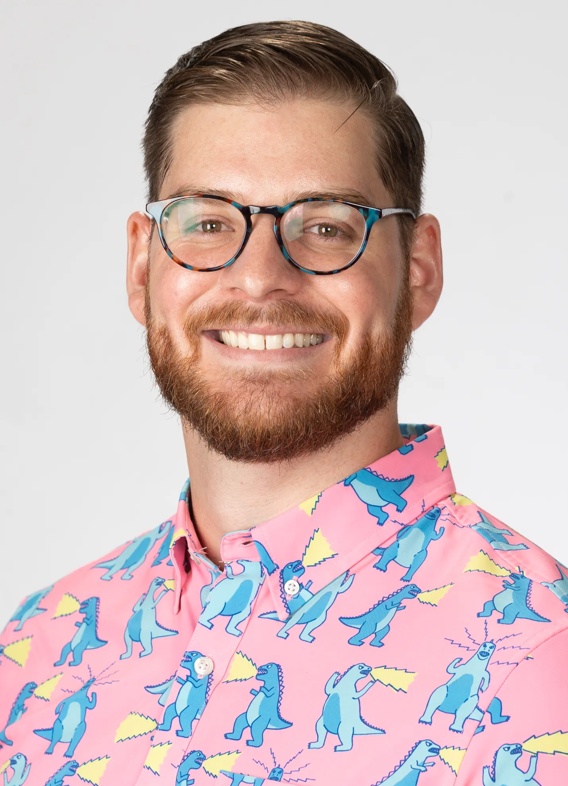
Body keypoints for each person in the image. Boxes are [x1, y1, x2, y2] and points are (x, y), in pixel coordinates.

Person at [0, 19, 566, 786]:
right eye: (207, 223)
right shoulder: (34, 653)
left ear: (420, 269)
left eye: (327, 228)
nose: (261, 277)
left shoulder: (540, 661)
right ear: (142, 266)